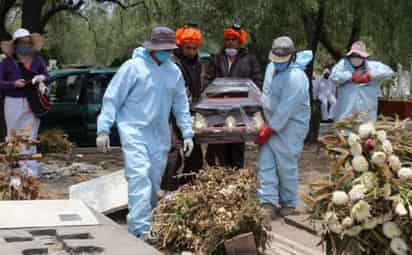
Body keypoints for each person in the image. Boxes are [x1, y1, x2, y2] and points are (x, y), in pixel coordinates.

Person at [96, 26, 194, 241]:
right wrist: (104, 128)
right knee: (139, 176)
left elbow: (180, 104)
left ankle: (146, 223)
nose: (166, 53)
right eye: (162, 49)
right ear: (151, 47)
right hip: (134, 130)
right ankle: (138, 229)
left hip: (159, 134)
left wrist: (187, 132)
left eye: (169, 49)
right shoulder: (133, 67)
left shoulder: (173, 71)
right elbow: (113, 97)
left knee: (152, 180)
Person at [255, 36, 313, 226]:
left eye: (282, 60)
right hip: (271, 121)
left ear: (292, 56)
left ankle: (288, 203)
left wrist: (271, 128)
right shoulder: (271, 67)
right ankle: (267, 202)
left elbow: (287, 108)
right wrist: (262, 120)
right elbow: (266, 94)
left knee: (286, 164)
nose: (277, 63)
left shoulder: (297, 78)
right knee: (266, 161)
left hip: (292, 125)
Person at [205, 24, 263, 169]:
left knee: (237, 144)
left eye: (234, 39)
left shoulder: (249, 60)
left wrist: (249, 100)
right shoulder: (217, 59)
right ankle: (220, 176)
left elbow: (257, 82)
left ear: (240, 42)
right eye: (228, 39)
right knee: (219, 144)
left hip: (240, 110)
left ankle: (235, 178)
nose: (230, 42)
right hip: (218, 110)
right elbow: (208, 80)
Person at [161, 25, 204, 191]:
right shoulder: (172, 64)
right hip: (171, 115)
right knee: (173, 153)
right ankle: (165, 186)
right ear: (180, 46)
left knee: (195, 155)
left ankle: (188, 186)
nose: (191, 51)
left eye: (194, 48)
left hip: (191, 113)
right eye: (188, 48)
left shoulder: (199, 64)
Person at [0, 28, 48, 176]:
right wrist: (13, 84)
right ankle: (12, 173)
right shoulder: (8, 62)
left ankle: (29, 174)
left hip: (33, 102)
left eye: (27, 43)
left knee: (30, 138)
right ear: (15, 45)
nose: (25, 46)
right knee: (13, 137)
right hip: (12, 103)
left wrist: (41, 79)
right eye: (22, 43)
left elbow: (48, 76)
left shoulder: (38, 60)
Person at [330, 41, 394, 122]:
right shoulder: (342, 65)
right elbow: (333, 77)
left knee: (366, 133)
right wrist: (351, 76)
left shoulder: (373, 66)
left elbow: (389, 72)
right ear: (349, 55)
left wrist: (370, 75)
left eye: (358, 55)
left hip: (367, 119)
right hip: (346, 118)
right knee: (345, 132)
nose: (355, 58)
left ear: (364, 57)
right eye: (353, 55)